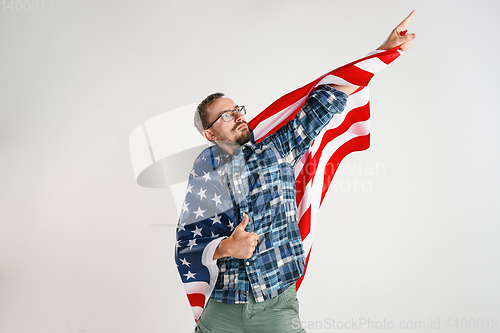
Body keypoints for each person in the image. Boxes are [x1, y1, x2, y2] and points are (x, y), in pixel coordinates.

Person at [176, 11, 417, 333]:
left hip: (275, 305)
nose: (237, 116)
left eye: (237, 110)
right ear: (210, 133)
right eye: (225, 116)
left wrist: (384, 52)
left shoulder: (277, 148)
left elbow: (325, 101)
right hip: (222, 307)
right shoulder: (204, 168)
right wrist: (225, 248)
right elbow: (187, 241)